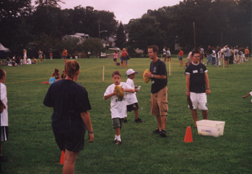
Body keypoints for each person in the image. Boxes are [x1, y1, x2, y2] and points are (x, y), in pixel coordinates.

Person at [43, 60, 94, 174]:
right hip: (73, 128)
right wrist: (90, 131)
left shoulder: (55, 85)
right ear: (78, 72)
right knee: (69, 160)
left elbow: (50, 104)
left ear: (64, 71)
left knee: (67, 157)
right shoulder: (79, 89)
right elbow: (84, 113)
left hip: (57, 125)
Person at [103, 71, 135, 145]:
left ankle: (116, 137)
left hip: (122, 109)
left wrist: (124, 90)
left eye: (118, 78)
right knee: (116, 124)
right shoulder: (110, 87)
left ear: (120, 78)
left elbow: (133, 90)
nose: (116, 80)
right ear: (112, 78)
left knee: (120, 125)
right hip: (115, 109)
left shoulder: (124, 85)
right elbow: (105, 97)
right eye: (115, 78)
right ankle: (119, 139)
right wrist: (113, 93)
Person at [144, 45, 168, 138]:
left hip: (161, 88)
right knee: (156, 110)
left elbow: (163, 76)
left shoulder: (161, 63)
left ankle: (164, 129)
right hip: (153, 89)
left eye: (150, 52)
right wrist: (147, 76)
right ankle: (159, 128)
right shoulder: (151, 63)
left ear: (155, 53)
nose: (149, 54)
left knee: (162, 109)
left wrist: (152, 75)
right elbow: (151, 75)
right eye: (148, 52)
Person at [185, 50, 211, 126]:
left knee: (204, 107)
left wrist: (208, 88)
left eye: (198, 56)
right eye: (195, 56)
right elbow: (187, 80)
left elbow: (206, 78)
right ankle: (196, 122)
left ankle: (205, 121)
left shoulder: (202, 66)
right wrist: (188, 91)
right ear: (192, 57)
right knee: (193, 107)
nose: (197, 57)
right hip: (192, 91)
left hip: (202, 90)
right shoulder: (189, 68)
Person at [0, 69, 9, 162]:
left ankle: (1, 155)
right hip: (1, 117)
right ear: (3, 77)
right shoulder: (2, 86)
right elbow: (1, 97)